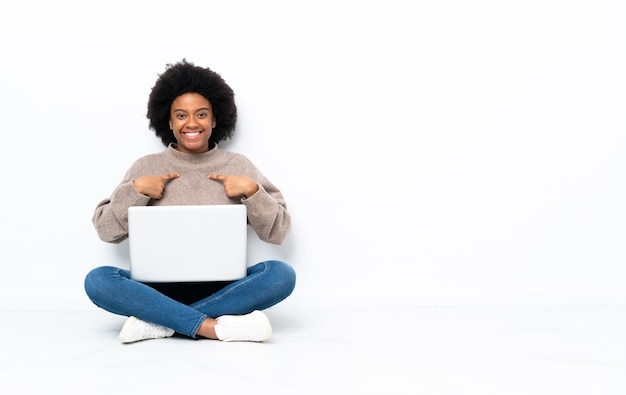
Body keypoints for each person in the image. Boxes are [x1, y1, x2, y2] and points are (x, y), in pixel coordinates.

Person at [84, 59, 296, 344]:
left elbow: (279, 232)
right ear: (169, 122)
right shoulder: (145, 167)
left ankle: (162, 321)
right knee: (98, 279)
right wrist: (135, 190)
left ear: (215, 119)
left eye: (201, 114)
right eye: (181, 116)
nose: (192, 123)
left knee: (281, 274)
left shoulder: (239, 166)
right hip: (158, 289)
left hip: (224, 287)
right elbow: (106, 231)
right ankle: (211, 326)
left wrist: (252, 191)